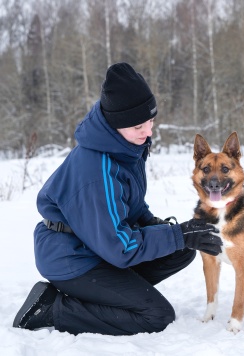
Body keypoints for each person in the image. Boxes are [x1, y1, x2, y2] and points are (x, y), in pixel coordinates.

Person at [12, 62, 222, 336]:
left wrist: (160, 226)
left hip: (95, 246)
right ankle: (53, 308)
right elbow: (119, 248)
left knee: (180, 250)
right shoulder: (97, 173)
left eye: (151, 121)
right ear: (115, 123)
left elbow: (130, 204)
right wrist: (175, 234)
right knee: (156, 315)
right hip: (72, 257)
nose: (148, 132)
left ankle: (109, 294)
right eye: (138, 125)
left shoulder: (125, 146)